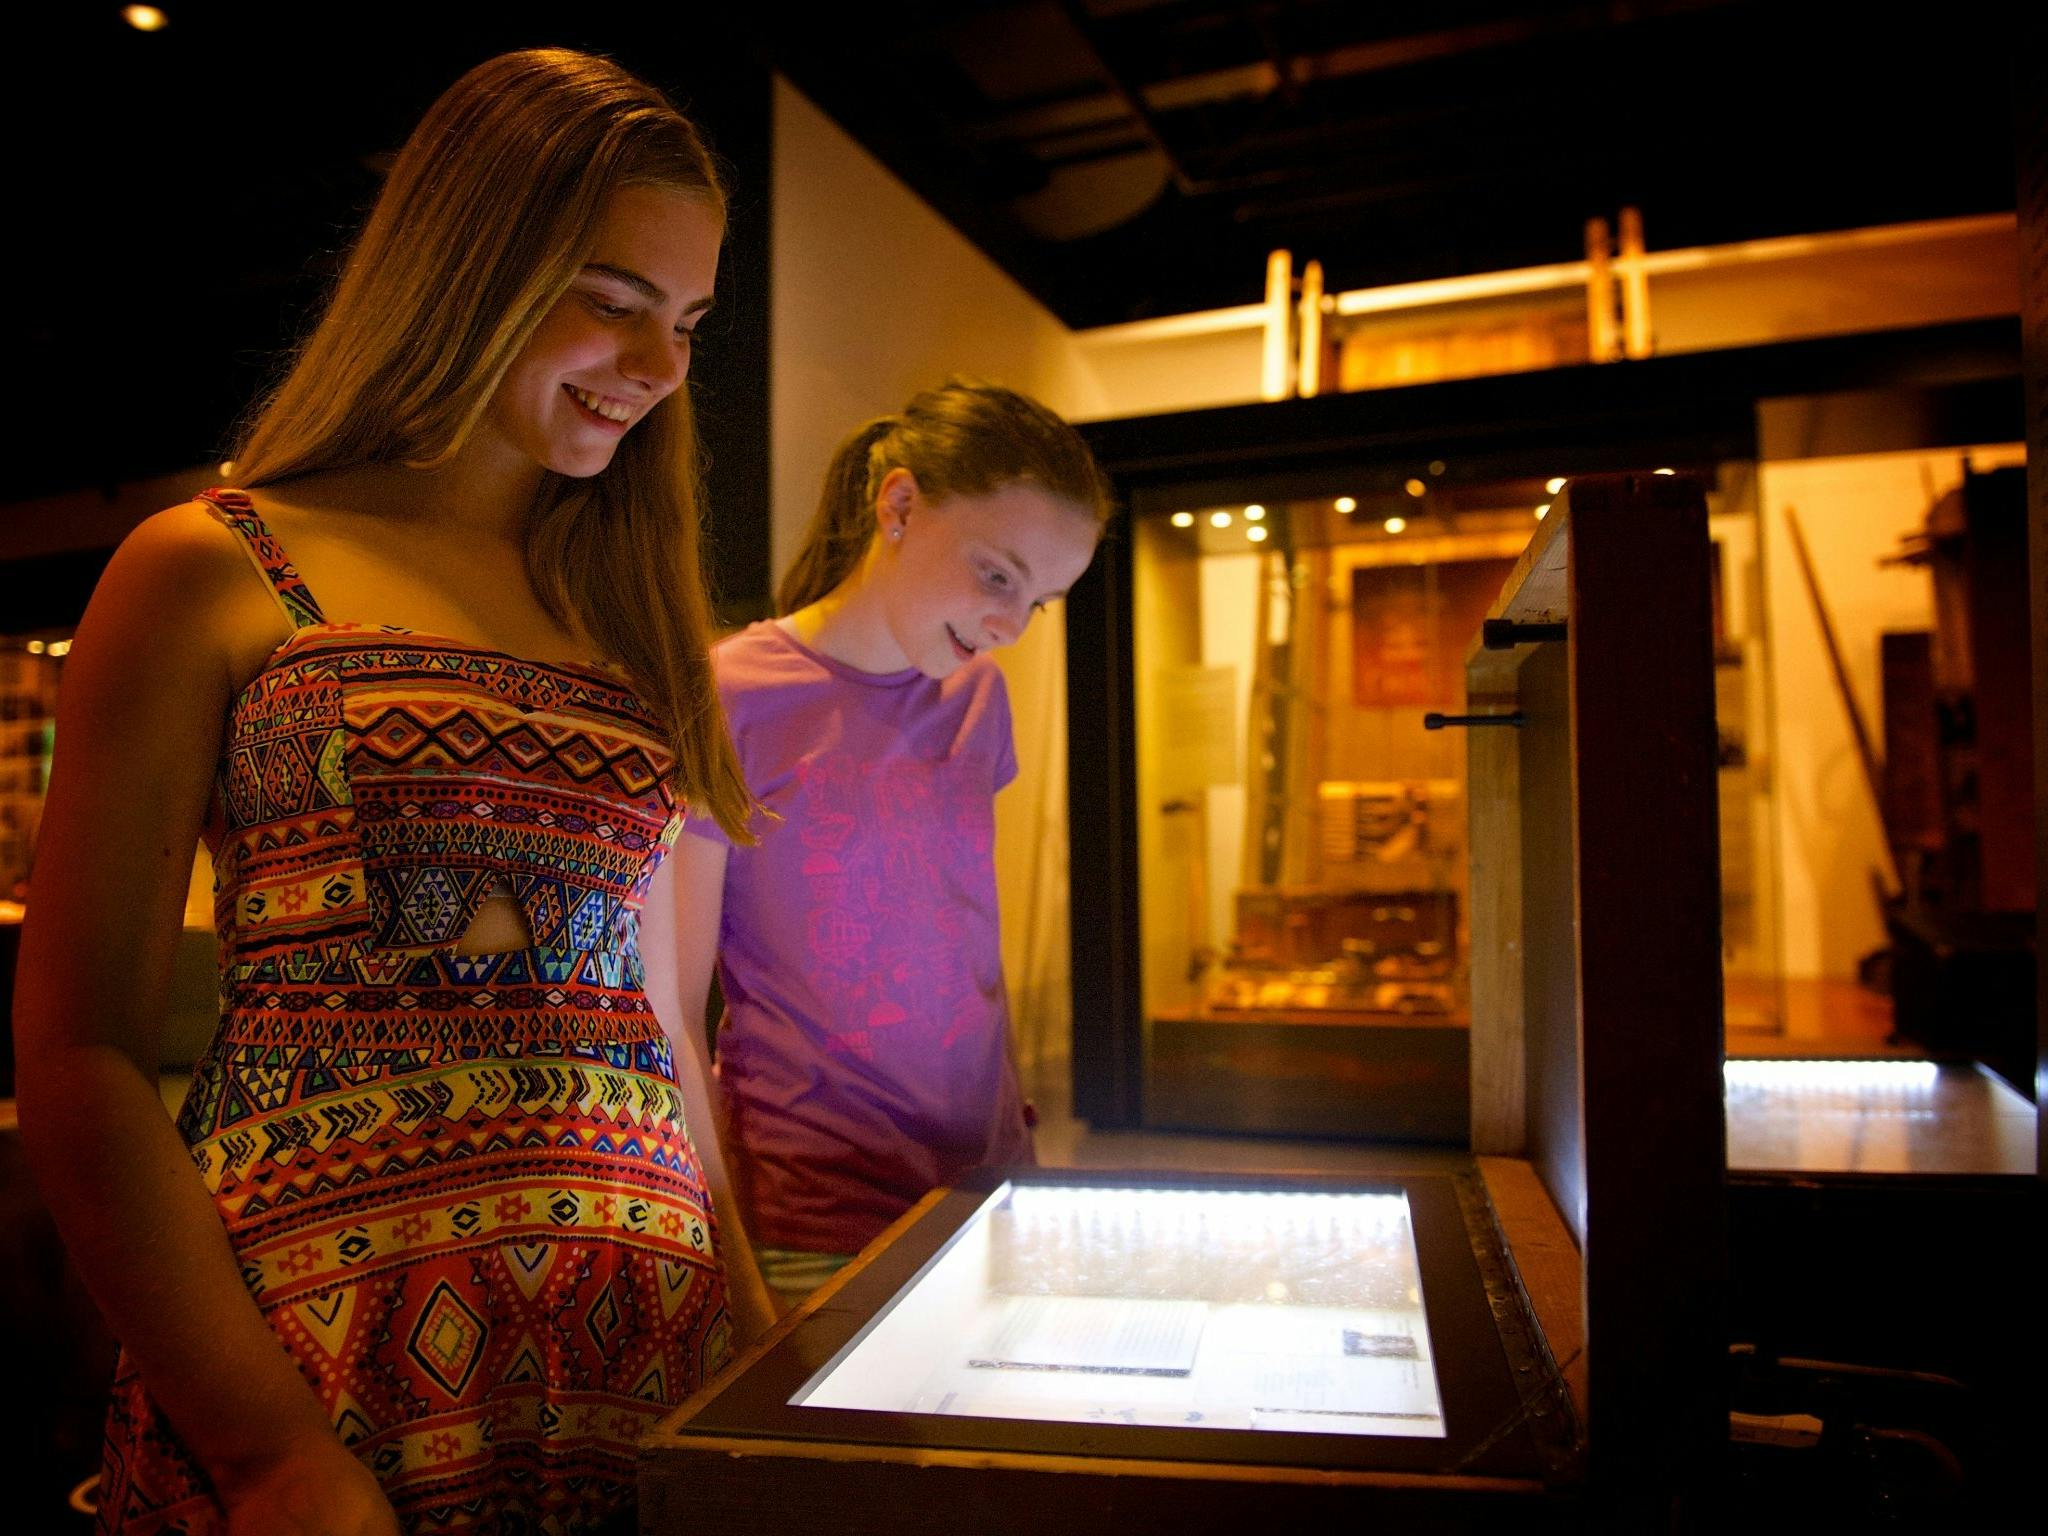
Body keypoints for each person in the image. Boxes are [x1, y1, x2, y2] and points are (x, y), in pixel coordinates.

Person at [11, 48, 776, 1536]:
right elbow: (83, 1052)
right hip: (325, 1351)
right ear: (466, 265)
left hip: (635, 1342)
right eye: (614, 301)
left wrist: (745, 1314)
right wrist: (265, 1451)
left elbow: (657, 1016)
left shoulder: (627, 614)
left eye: (687, 321)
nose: (661, 365)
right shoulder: (218, 565)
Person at [639, 378, 1111, 1311]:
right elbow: (672, 1012)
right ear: (898, 505)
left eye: (1041, 602)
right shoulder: (729, 693)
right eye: (997, 576)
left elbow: (967, 945)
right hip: (814, 1211)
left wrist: (1026, 1158)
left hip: (993, 1188)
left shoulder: (979, 702)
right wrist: (722, 1246)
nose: (1009, 628)